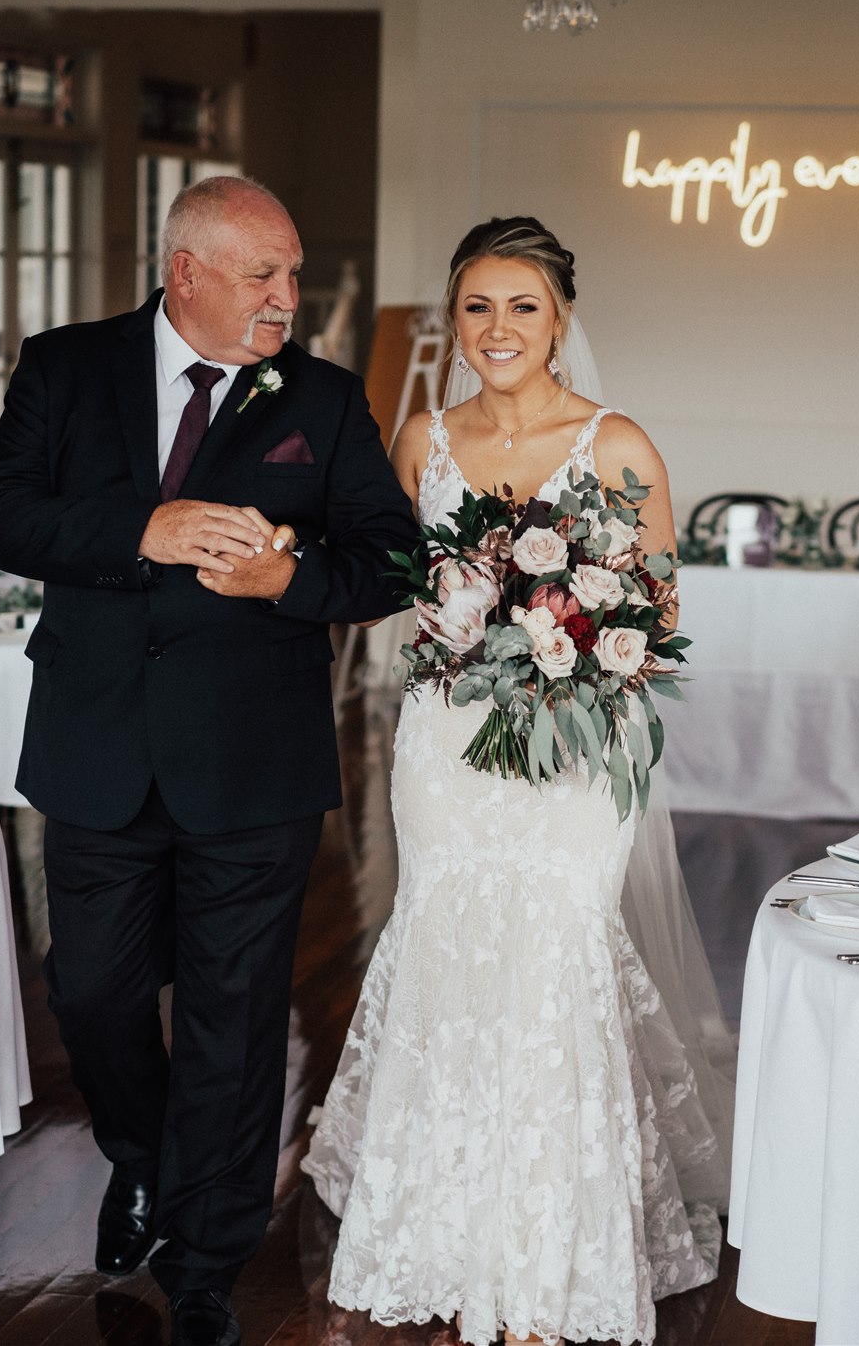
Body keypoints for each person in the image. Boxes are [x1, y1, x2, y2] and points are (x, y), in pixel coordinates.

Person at [0, 176, 416, 1346]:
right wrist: (138, 532)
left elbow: (386, 563)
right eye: (262, 275)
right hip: (95, 743)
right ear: (185, 272)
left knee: (234, 1013)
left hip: (253, 762)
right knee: (94, 995)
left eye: (292, 275)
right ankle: (142, 1156)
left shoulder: (319, 396)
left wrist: (290, 580)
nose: (286, 297)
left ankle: (208, 1259)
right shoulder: (63, 369)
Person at [303, 217, 729, 1346]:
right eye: (477, 307)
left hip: (574, 747)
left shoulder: (617, 442)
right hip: (446, 742)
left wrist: (568, 638)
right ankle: (437, 1229)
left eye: (521, 307)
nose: (497, 329)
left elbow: (661, 611)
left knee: (551, 953)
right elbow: (399, 591)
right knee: (447, 942)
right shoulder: (421, 443)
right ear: (454, 321)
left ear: (560, 320)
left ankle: (549, 1253)